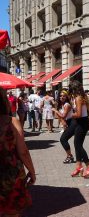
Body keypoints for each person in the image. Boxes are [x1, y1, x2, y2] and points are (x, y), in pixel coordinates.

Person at [0, 86, 36, 217]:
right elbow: (23, 152)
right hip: (11, 174)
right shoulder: (12, 122)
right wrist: (32, 171)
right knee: (12, 211)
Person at [60, 80, 89, 178]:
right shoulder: (77, 97)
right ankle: (79, 166)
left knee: (78, 145)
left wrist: (71, 115)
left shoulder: (79, 98)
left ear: (74, 89)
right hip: (77, 121)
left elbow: (79, 114)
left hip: (82, 122)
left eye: (71, 89)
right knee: (65, 138)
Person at [52, 90, 74, 164]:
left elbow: (63, 116)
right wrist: (63, 123)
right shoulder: (62, 104)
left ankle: (70, 156)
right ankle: (70, 156)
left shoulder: (67, 105)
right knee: (64, 139)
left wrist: (56, 110)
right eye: (60, 96)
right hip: (68, 123)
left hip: (72, 123)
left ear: (67, 97)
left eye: (64, 96)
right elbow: (59, 117)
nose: (62, 97)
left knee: (63, 139)